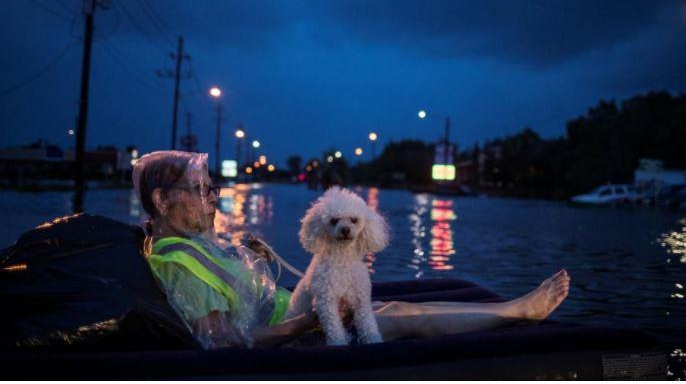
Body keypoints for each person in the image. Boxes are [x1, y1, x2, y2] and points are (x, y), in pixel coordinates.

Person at [134, 150, 570, 349]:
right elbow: (226, 344)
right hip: (292, 337)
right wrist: (305, 323)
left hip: (290, 315)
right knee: (394, 316)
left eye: (212, 187)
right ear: (162, 200)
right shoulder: (177, 263)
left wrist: (255, 259)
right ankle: (519, 312)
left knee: (393, 304)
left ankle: (513, 309)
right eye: (201, 189)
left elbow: (236, 300)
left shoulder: (191, 246)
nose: (213, 197)